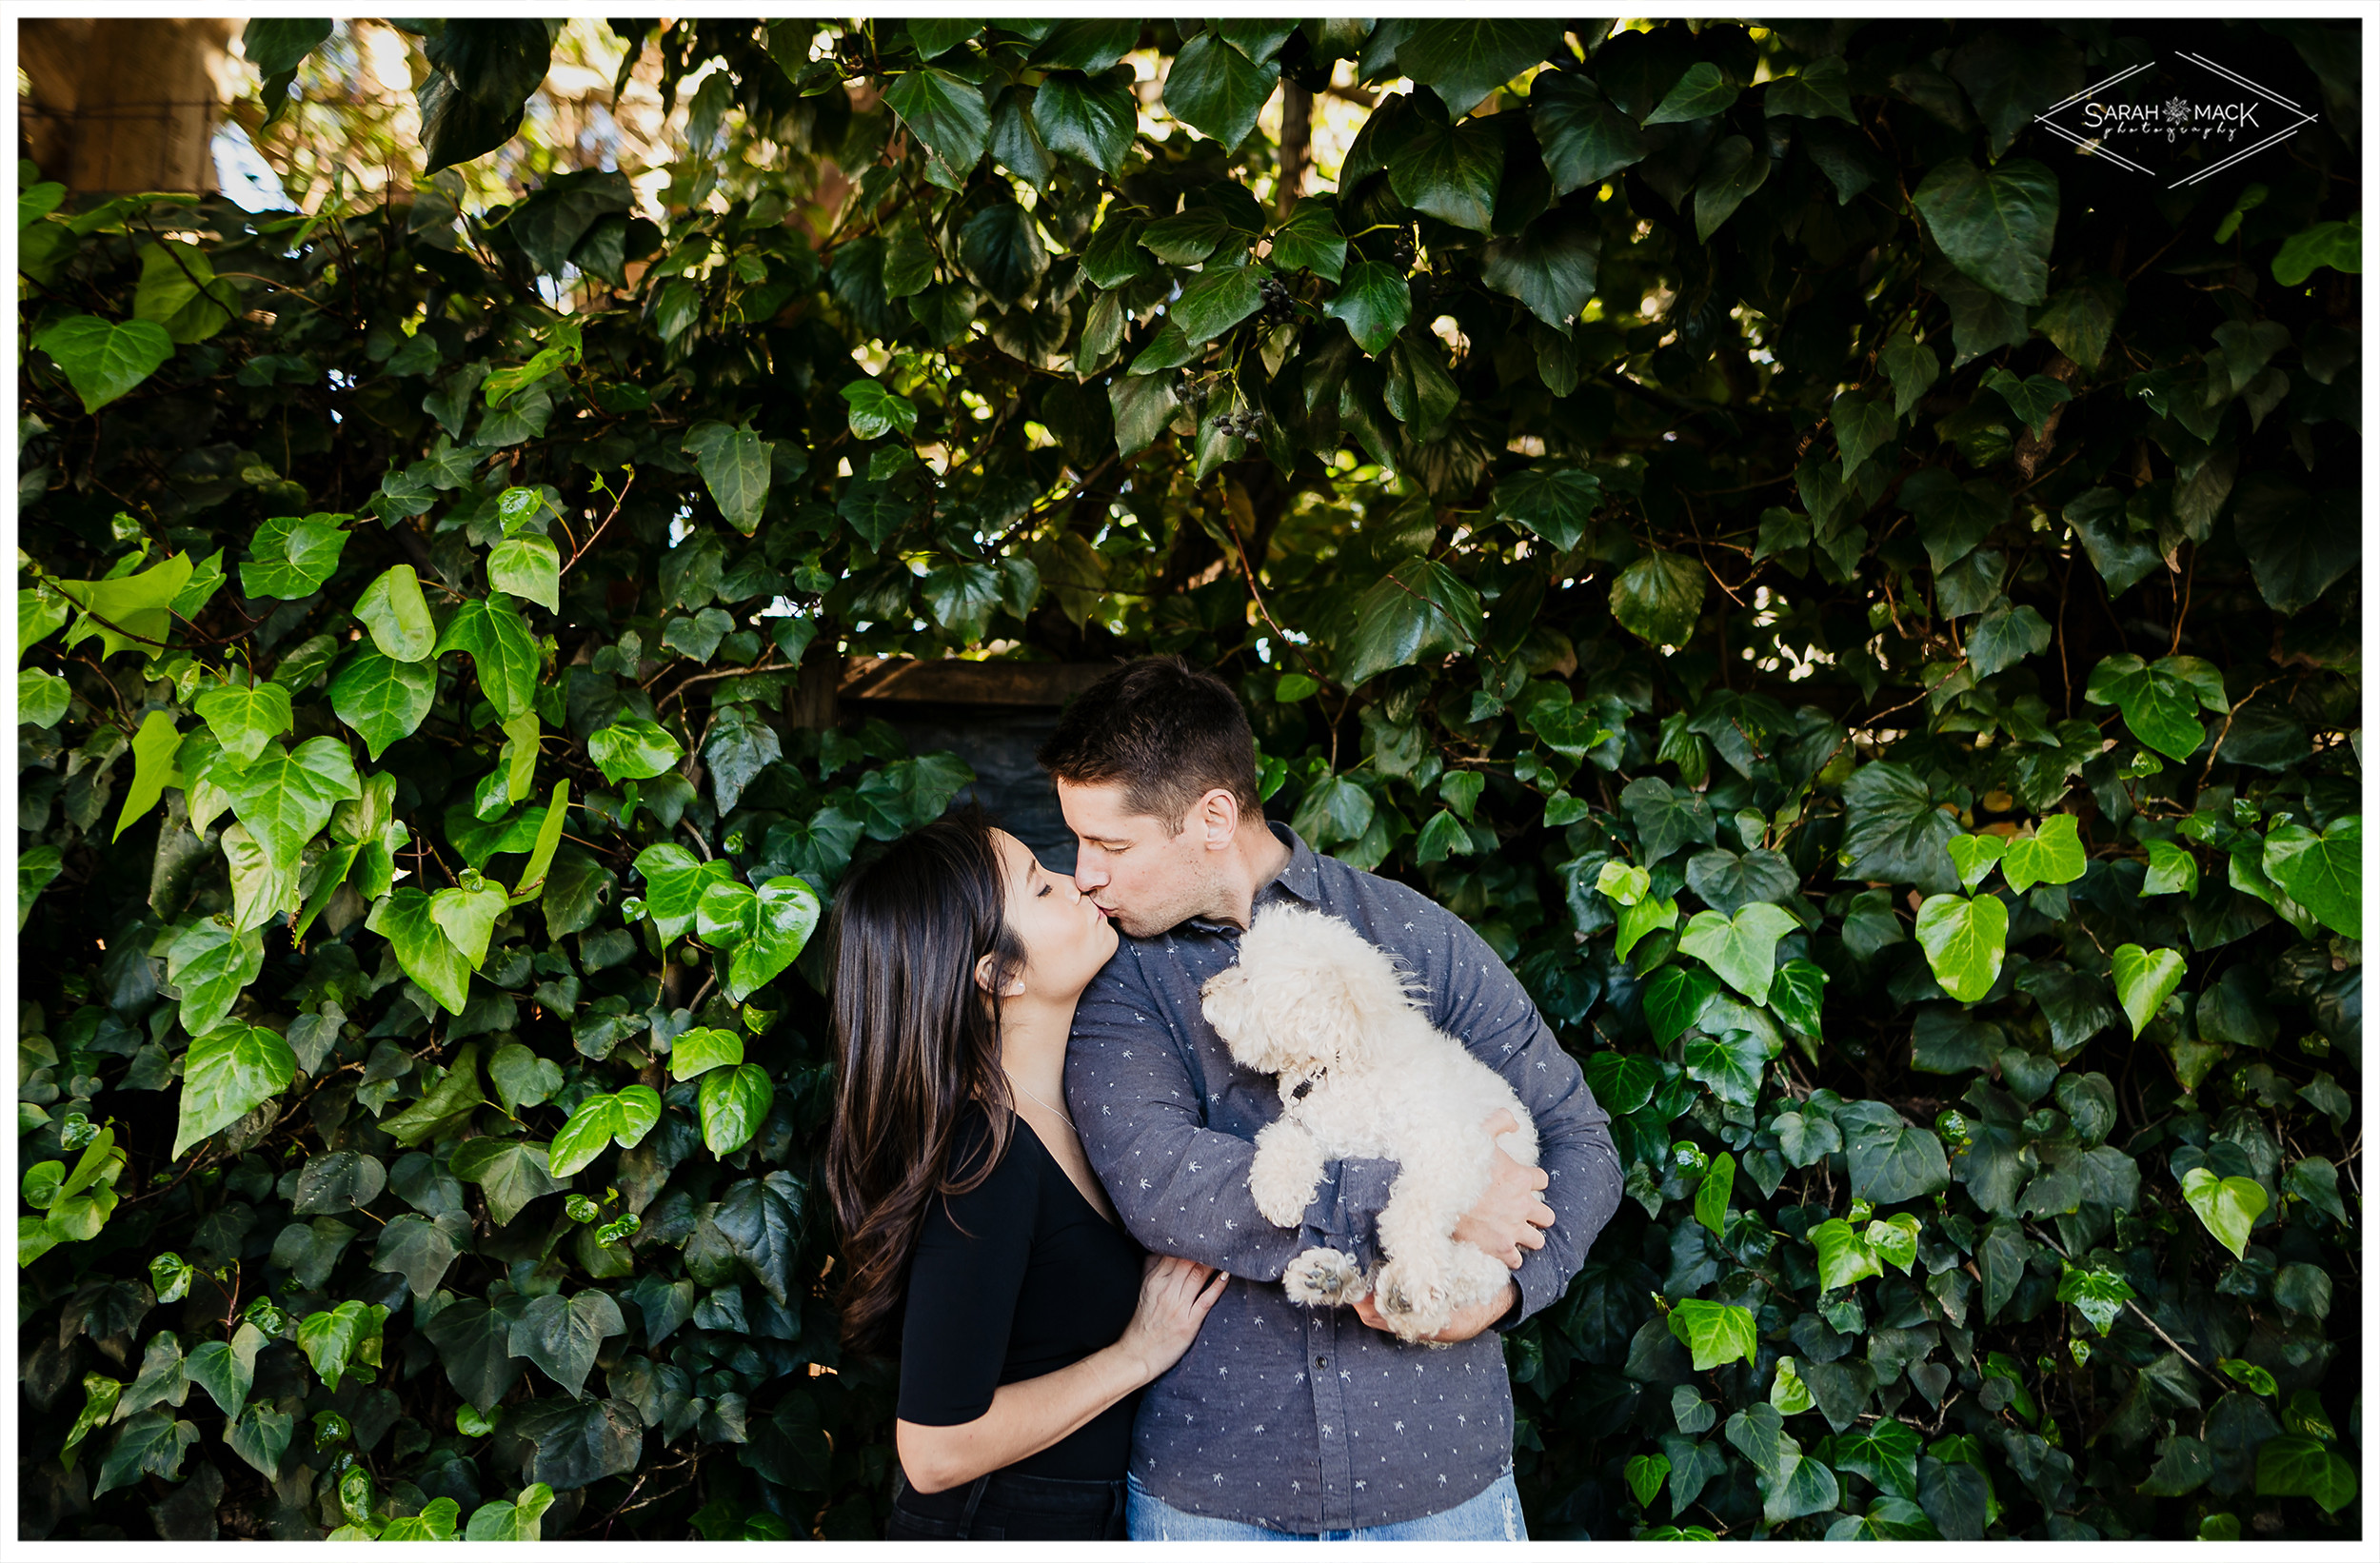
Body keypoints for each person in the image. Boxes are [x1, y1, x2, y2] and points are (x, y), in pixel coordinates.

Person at [1041, 657, 1624, 1541]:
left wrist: (1504, 1292)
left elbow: (1580, 1137)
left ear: (1212, 818)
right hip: (1218, 1499)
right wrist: (1433, 1198)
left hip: (1443, 1484)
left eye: (1112, 846)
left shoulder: (1410, 933)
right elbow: (1162, 1180)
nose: (1086, 875)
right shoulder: (1113, 980)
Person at [823, 814, 1230, 1540]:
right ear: (1000, 975)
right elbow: (935, 1449)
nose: (1078, 883)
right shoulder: (984, 1161)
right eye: (1042, 889)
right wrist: (1136, 1354)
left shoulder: (1063, 1109)